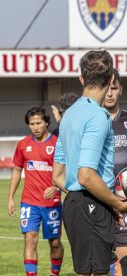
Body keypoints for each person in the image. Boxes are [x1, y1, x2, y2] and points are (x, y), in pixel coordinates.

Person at [52, 50, 127, 276]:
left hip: (76, 204)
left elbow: (57, 176)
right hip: (91, 204)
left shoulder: (69, 115)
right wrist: (118, 204)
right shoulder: (98, 116)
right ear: (111, 78)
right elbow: (86, 176)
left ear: (81, 78)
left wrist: (89, 199)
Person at [7, 106, 64, 276]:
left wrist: (55, 187)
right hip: (29, 202)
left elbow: (66, 170)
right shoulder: (23, 144)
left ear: (47, 122)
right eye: (32, 124)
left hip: (52, 204)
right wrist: (10, 197)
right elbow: (17, 170)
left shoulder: (57, 144)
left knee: (55, 243)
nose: (35, 127)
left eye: (38, 123)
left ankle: (55, 274)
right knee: (30, 240)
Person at [104, 68, 127, 276]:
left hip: (124, 206)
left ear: (121, 89)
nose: (110, 93)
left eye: (114, 88)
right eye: (106, 88)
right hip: (99, 202)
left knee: (123, 263)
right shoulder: (92, 123)